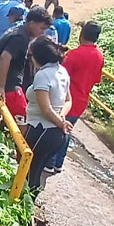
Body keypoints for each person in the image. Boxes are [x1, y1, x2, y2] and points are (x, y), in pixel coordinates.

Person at [46, 21, 105, 173]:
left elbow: (59, 76)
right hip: (82, 100)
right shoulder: (99, 56)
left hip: (65, 99)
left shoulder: (74, 55)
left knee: (57, 129)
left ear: (82, 34)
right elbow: (97, 79)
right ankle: (58, 162)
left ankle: (50, 162)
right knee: (66, 129)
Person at [0, 6, 53, 123]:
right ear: (31, 23)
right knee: (21, 119)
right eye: (41, 28)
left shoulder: (18, 30)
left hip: (0, 80)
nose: (42, 32)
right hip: (7, 85)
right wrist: (1, 86)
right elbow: (5, 58)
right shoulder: (20, 37)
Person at [24, 36, 73, 197]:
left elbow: (46, 109)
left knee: (28, 173)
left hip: (41, 130)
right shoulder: (62, 71)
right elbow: (68, 101)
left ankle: (22, 210)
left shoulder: (43, 75)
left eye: (30, 55)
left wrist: (60, 122)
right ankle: (28, 208)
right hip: (56, 134)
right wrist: (61, 119)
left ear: (38, 56)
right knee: (37, 172)